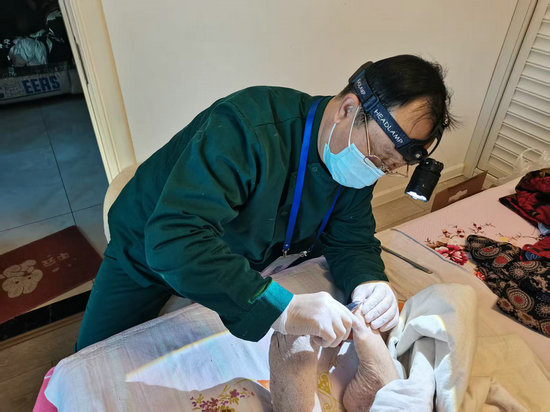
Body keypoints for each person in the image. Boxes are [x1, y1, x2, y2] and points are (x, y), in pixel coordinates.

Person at [75, 54, 454, 351]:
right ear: (348, 109)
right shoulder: (246, 128)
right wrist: (281, 308)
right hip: (147, 247)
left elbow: (351, 237)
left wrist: (368, 280)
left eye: (388, 167)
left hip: (250, 257)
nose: (373, 171)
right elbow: (174, 240)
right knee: (89, 359)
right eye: (377, 157)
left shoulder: (354, 159)